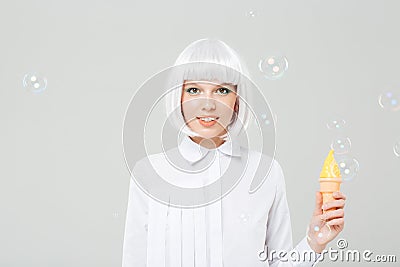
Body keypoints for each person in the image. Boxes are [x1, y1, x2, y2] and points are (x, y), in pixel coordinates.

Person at [122, 38, 346, 267]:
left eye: (221, 90)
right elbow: (134, 259)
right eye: (194, 90)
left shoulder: (266, 173)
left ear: (237, 100)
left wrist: (314, 242)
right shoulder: (149, 172)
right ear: (178, 97)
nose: (208, 104)